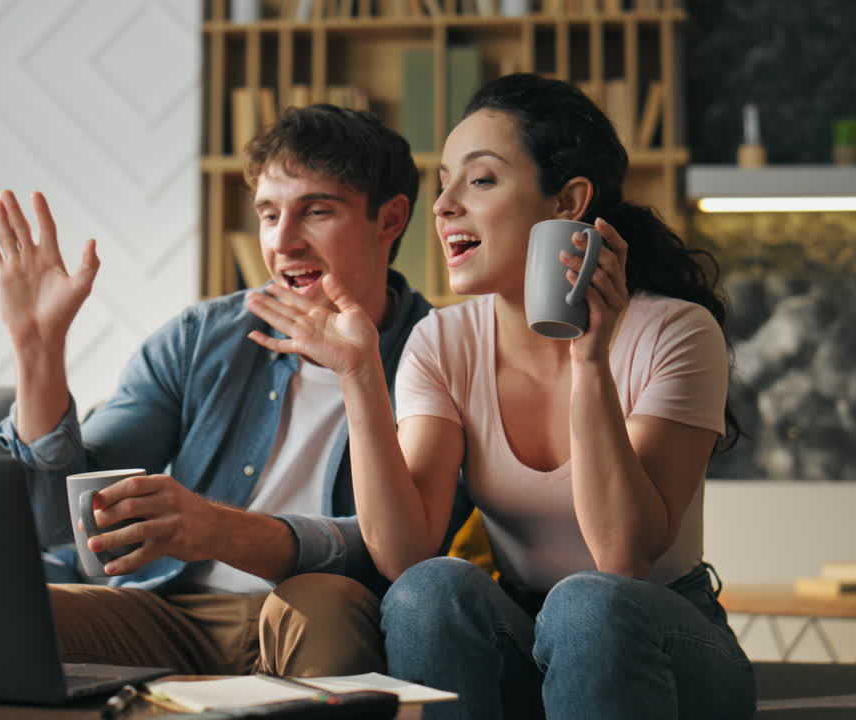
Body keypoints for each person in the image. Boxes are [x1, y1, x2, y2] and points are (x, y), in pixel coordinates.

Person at [245, 73, 756, 718]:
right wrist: (360, 375)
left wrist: (590, 360)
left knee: (587, 603)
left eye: (480, 180)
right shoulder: (443, 341)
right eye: (442, 185)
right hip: (526, 627)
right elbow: (405, 556)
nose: (443, 206)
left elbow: (622, 557)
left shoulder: (676, 331)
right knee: (430, 589)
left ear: (566, 200)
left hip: (664, 637)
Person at [0, 104, 436, 677]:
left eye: (316, 211)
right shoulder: (200, 338)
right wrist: (38, 350)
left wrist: (219, 529)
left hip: (314, 611)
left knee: (325, 602)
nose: (284, 241)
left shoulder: (441, 352)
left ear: (390, 219)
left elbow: (403, 550)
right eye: (269, 215)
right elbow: (58, 523)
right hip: (167, 608)